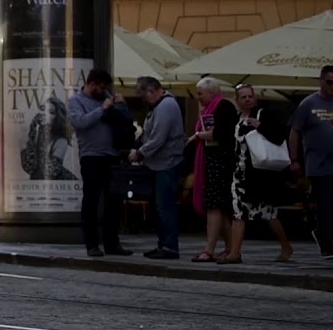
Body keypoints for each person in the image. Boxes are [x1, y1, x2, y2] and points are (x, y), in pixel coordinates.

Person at [288, 65, 333, 260]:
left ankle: (321, 232)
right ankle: (327, 245)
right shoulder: (308, 103)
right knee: (325, 203)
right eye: (330, 82)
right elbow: (295, 131)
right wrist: (294, 159)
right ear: (321, 81)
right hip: (317, 164)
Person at [220, 84, 292, 264]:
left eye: (250, 96)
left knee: (268, 214)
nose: (247, 100)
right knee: (238, 212)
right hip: (239, 175)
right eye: (243, 97)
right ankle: (235, 253)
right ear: (236, 100)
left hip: (258, 176)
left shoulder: (262, 115)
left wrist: (261, 126)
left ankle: (286, 246)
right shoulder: (236, 120)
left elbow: (280, 135)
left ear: (255, 98)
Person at [67, 68, 131, 257]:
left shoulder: (107, 97)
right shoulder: (76, 101)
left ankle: (113, 243)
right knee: (92, 200)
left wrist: (122, 106)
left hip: (111, 155)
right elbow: (80, 123)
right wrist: (101, 109)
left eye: (105, 88)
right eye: (101, 87)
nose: (104, 91)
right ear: (91, 84)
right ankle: (92, 244)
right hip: (91, 156)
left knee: (113, 202)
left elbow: (124, 123)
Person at [129, 77, 184, 259]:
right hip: (160, 164)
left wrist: (139, 153)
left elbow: (158, 138)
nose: (144, 99)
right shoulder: (159, 106)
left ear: (152, 91)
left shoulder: (166, 106)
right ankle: (164, 244)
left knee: (165, 206)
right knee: (160, 206)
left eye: (144, 95)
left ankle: (169, 246)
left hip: (166, 163)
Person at [188, 79, 238, 263]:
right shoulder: (210, 109)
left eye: (200, 93)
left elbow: (222, 134)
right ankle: (231, 248)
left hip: (221, 163)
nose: (198, 97)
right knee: (221, 209)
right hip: (213, 163)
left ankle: (209, 249)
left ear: (211, 92)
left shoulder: (223, 107)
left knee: (214, 207)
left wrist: (199, 135)